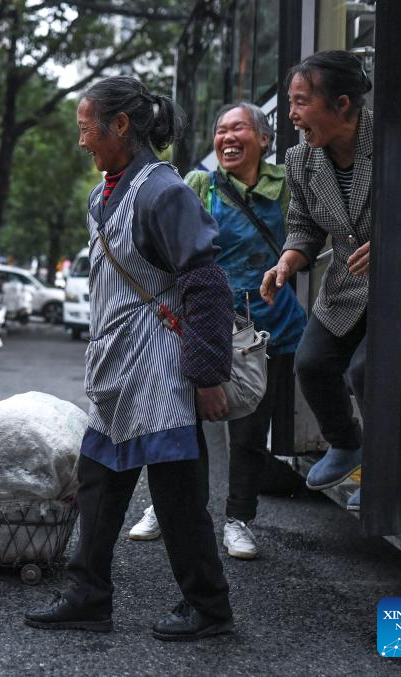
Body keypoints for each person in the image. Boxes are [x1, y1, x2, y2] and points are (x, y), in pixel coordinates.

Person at [24, 76, 235, 640]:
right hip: (118, 369)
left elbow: (207, 284)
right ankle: (88, 595)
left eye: (86, 128)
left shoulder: (164, 191)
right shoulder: (106, 192)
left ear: (121, 125)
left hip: (164, 368)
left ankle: (209, 608)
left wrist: (208, 374)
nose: (82, 141)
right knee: (99, 483)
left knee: (179, 498)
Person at [127, 103, 308, 559]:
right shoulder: (199, 185)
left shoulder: (287, 186)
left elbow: (310, 235)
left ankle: (239, 520)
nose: (227, 137)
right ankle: (172, 509)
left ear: (264, 140)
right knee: (183, 424)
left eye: (239, 128)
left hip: (267, 330)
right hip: (203, 325)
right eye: (221, 130)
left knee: (248, 435)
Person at [260, 50, 372, 511]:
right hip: (345, 289)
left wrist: (393, 245)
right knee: (311, 364)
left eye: (301, 101)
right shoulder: (300, 159)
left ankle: (386, 473)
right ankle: (347, 444)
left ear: (341, 104)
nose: (291, 114)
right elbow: (304, 226)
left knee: (368, 370)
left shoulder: (397, 141)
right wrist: (287, 262)